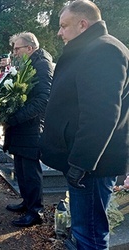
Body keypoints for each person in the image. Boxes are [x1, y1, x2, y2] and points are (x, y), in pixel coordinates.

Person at [40, 1, 129, 249]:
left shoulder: (104, 50)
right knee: (84, 230)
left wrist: (81, 162)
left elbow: (101, 114)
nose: (59, 32)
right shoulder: (91, 48)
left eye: (63, 26)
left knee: (90, 232)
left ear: (83, 24)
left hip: (92, 165)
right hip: (87, 161)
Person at [4, 32, 53, 227]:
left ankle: (36, 211)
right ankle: (27, 202)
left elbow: (43, 100)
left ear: (30, 48)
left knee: (31, 171)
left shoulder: (42, 65)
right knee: (21, 169)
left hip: (31, 127)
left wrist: (15, 117)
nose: (14, 52)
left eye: (17, 49)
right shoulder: (26, 64)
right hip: (20, 126)